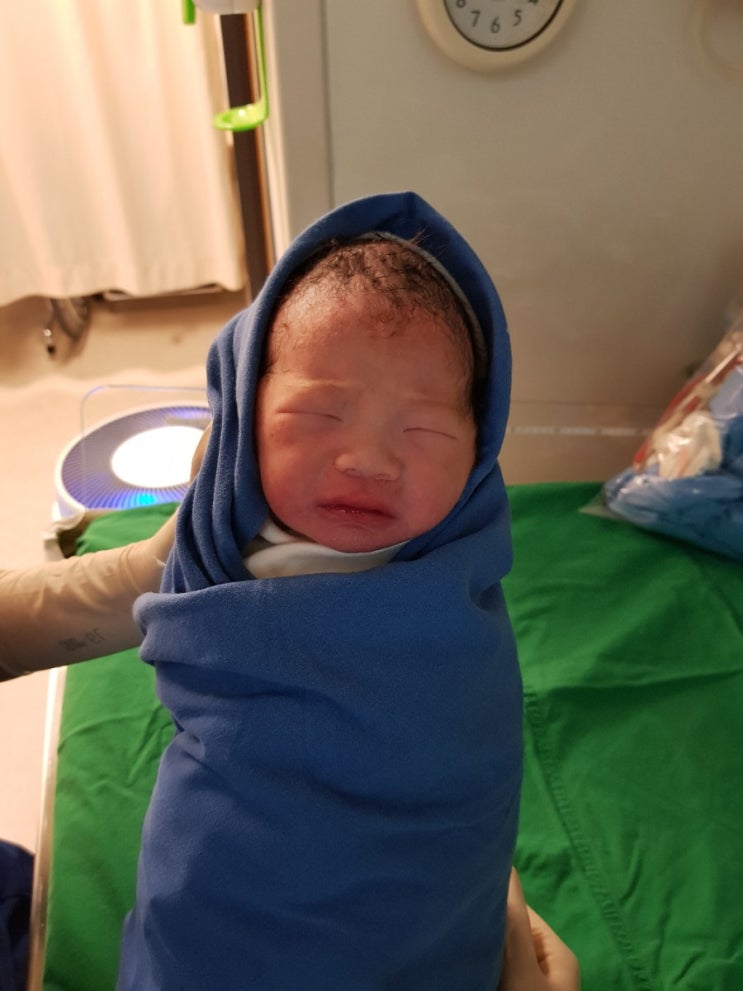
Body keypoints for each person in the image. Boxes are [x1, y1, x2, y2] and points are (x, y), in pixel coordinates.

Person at [0, 191, 578, 989]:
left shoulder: (458, 579)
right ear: (240, 419)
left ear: (480, 452)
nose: (368, 460)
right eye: (316, 413)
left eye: (423, 429)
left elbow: (461, 761)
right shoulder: (217, 541)